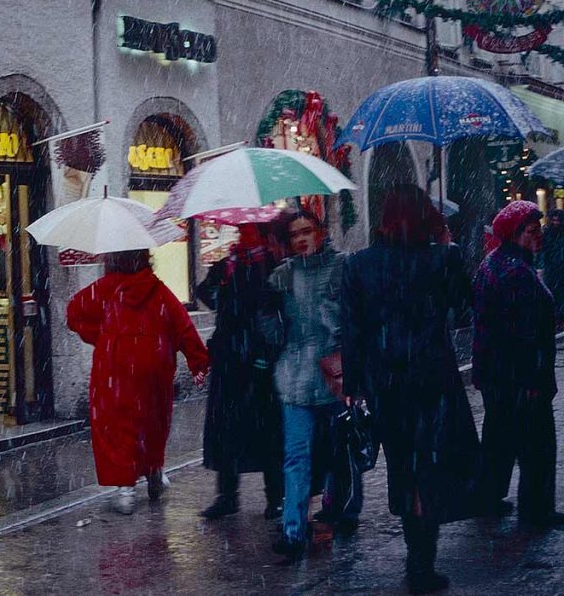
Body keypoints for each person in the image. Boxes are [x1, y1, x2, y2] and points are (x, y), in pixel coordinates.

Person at [343, 184, 477, 594]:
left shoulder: (360, 265)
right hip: (432, 379)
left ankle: (416, 555)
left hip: (387, 384)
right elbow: (465, 307)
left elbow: (353, 330)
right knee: (429, 468)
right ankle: (422, 560)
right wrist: (450, 249)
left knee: (405, 469)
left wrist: (354, 386)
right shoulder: (441, 258)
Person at [67, 249, 210, 515]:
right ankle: (154, 474)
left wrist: (101, 334)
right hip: (154, 369)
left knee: (117, 426)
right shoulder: (159, 291)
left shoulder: (107, 288)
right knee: (152, 424)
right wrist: (198, 362)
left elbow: (74, 313)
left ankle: (125, 489)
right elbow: (184, 327)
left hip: (115, 369)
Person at [259, 211, 357, 561]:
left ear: (321, 232)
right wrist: (276, 339)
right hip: (295, 377)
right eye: (294, 234)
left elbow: (356, 314)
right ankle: (293, 532)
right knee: (296, 456)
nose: (301, 239)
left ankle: (344, 509)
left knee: (341, 451)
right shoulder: (284, 275)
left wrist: (347, 350)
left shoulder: (344, 267)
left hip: (336, 375)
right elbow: (266, 314)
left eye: (307, 231)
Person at [474, 200, 564, 528]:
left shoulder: (497, 263)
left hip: (498, 375)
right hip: (518, 376)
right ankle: (536, 509)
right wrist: (531, 380)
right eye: (532, 230)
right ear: (515, 235)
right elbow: (521, 335)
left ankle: (488, 498)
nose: (538, 235)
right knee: (536, 444)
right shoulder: (515, 272)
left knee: (500, 439)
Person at [196, 223, 284, 520]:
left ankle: (275, 497)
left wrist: (267, 351)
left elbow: (274, 307)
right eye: (240, 230)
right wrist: (223, 282)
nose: (242, 234)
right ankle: (227, 496)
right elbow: (205, 294)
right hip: (230, 362)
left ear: (261, 234)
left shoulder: (273, 265)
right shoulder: (227, 265)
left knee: (268, 432)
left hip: (261, 361)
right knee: (226, 432)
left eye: (248, 230)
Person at [539, 208, 564, 326]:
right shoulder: (548, 233)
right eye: (554, 220)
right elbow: (543, 251)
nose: (556, 223)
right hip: (553, 269)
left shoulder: (550, 233)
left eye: (558, 220)